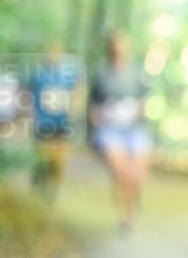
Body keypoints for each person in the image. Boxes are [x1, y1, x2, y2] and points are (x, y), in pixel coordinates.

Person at [90, 31, 152, 232]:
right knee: (121, 171)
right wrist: (97, 119)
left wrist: (137, 111)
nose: (118, 51)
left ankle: (133, 199)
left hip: (134, 129)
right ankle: (127, 215)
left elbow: (145, 100)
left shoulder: (137, 72)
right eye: (115, 47)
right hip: (110, 130)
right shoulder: (101, 73)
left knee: (137, 173)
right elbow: (93, 105)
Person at [30, 44, 80, 201]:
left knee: (59, 160)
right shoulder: (38, 76)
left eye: (57, 53)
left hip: (62, 124)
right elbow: (29, 97)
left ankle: (52, 189)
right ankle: (40, 178)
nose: (54, 56)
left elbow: (77, 91)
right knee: (44, 157)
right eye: (51, 53)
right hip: (42, 124)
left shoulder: (67, 76)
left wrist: (74, 111)